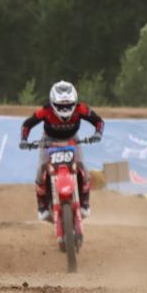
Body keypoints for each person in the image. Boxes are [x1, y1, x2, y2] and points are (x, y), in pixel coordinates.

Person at [17, 81, 104, 220]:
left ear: (74, 102)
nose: (65, 109)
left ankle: (85, 203)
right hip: (48, 140)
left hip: (73, 139)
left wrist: (97, 134)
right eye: (61, 106)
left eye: (68, 105)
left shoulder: (81, 108)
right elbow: (27, 125)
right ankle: (42, 205)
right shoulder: (45, 111)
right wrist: (23, 140)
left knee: (83, 169)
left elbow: (98, 121)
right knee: (41, 171)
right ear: (53, 103)